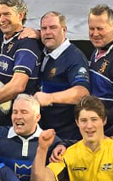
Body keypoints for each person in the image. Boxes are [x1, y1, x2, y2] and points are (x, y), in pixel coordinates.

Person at [0, 0, 43, 121]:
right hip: (4, 117)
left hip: (19, 119)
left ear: (20, 15)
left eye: (7, 14)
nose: (2, 20)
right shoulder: (4, 38)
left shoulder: (26, 43)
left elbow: (18, 86)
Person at [34, 11, 91, 141]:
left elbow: (82, 93)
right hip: (43, 132)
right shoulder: (42, 51)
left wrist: (50, 98)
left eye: (53, 27)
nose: (48, 32)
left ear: (64, 30)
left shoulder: (74, 57)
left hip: (65, 136)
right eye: (44, 28)